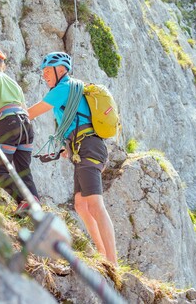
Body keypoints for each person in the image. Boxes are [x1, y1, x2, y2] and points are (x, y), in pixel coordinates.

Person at [28, 51, 118, 265]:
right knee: (81, 205)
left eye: (48, 71)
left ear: (61, 70)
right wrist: (66, 148)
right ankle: (102, 254)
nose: (44, 75)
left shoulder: (64, 88)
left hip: (88, 147)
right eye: (43, 72)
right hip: (83, 148)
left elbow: (31, 112)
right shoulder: (68, 89)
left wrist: (5, 115)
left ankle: (112, 261)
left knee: (95, 204)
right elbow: (74, 123)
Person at [0, 45, 40, 215]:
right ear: (2, 63)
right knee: (23, 170)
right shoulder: (14, 84)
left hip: (10, 123)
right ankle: (35, 208)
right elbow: (24, 108)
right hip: (26, 125)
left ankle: (26, 200)